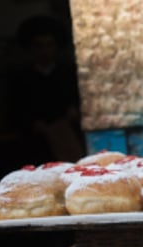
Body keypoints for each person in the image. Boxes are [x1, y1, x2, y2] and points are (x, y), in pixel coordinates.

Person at [6, 14, 85, 165]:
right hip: (36, 145)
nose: (45, 51)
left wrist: (74, 112)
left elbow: (82, 103)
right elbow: (14, 113)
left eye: (49, 45)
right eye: (39, 46)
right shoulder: (20, 79)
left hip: (69, 137)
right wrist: (33, 124)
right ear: (30, 49)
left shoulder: (69, 74)